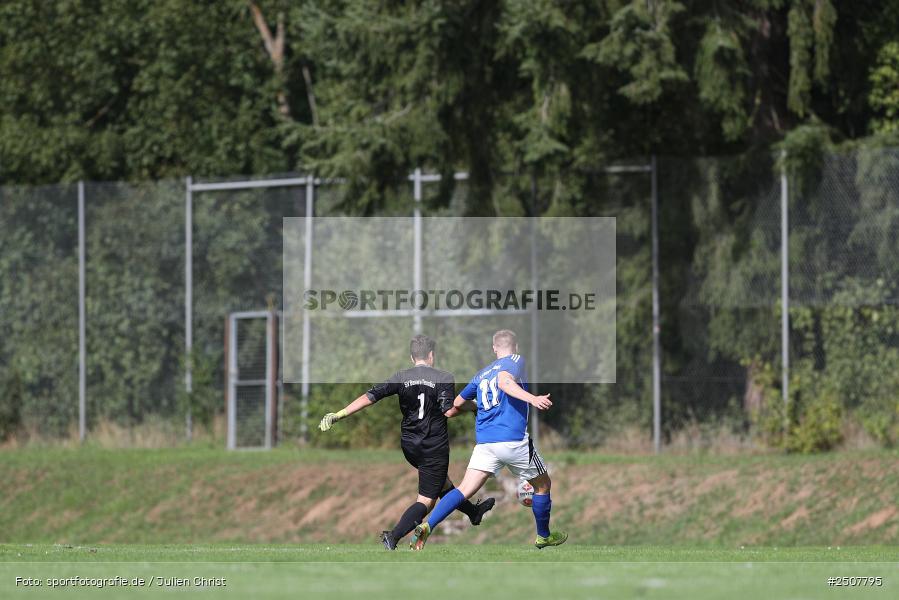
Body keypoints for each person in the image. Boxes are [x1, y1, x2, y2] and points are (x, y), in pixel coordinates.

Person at [318, 334, 495, 549]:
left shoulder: (401, 376)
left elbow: (370, 397)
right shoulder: (444, 377)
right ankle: (394, 536)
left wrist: (340, 414)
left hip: (410, 445)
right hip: (433, 447)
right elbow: (448, 409)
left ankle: (474, 513)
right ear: (431, 355)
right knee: (426, 502)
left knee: (442, 484)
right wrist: (474, 406)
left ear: (412, 357)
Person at [410, 329, 567, 550]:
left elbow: (455, 404)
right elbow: (504, 382)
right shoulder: (515, 360)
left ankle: (427, 526)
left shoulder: (481, 374)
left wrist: (473, 407)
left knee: (463, 490)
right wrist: (533, 399)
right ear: (516, 346)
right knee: (543, 485)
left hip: (485, 444)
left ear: (494, 348)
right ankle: (544, 536)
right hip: (512, 441)